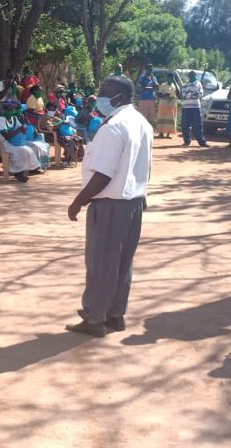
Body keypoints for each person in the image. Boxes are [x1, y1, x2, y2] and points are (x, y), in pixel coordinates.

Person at [64, 75, 152, 337]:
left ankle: (94, 318)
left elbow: (103, 174)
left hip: (111, 204)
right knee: (122, 262)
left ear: (119, 96)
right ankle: (116, 314)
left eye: (105, 91)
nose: (99, 95)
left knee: (102, 262)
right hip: (133, 203)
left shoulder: (114, 126)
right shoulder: (141, 122)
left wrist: (78, 201)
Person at [0, 99, 43, 182]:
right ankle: (18, 174)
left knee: (27, 149)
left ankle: (20, 172)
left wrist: (23, 125)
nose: (12, 112)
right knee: (20, 151)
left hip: (12, 142)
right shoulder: (0, 120)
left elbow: (22, 129)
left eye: (13, 110)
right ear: (4, 111)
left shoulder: (15, 118)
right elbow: (6, 135)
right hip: (1, 144)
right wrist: (19, 130)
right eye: (9, 110)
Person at [180, 71, 210, 147]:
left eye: (194, 75)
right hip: (186, 107)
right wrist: (192, 94)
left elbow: (200, 94)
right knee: (185, 125)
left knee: (198, 125)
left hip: (196, 107)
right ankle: (186, 141)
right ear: (189, 76)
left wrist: (190, 94)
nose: (193, 77)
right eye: (191, 76)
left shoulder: (199, 84)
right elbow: (183, 95)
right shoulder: (184, 85)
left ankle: (202, 142)